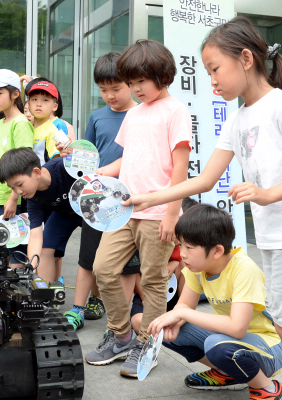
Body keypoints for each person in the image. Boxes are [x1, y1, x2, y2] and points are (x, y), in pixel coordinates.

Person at [125, 17, 282, 341]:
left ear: (246, 59)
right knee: (279, 316)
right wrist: (151, 198)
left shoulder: (277, 105)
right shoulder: (236, 119)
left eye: (215, 69)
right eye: (208, 72)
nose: (212, 80)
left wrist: (266, 194)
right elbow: (206, 180)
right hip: (269, 237)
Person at [84, 39, 191, 378]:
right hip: (124, 209)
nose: (134, 89)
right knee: (103, 268)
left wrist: (173, 214)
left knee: (154, 281)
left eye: (139, 81)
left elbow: (180, 169)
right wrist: (103, 171)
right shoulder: (133, 113)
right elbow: (126, 160)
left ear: (162, 75)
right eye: (131, 83)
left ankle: (148, 343)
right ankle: (122, 335)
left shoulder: (175, 110)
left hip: (159, 213)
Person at [149, 204, 282, 399]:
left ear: (217, 251)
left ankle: (266, 388)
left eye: (189, 247)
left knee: (216, 344)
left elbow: (237, 328)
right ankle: (228, 373)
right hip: (231, 340)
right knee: (166, 328)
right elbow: (184, 305)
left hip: (268, 347)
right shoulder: (197, 267)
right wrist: (176, 317)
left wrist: (182, 313)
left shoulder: (243, 269)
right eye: (180, 245)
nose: (182, 253)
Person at [60, 52, 140, 329]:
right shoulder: (97, 117)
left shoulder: (141, 115)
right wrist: (71, 153)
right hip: (97, 198)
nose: (110, 95)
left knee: (127, 264)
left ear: (130, 83)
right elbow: (88, 156)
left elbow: (139, 157)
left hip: (129, 199)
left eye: (116, 88)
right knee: (88, 256)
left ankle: (119, 317)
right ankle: (78, 308)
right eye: (103, 90)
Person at [0, 147, 81, 282]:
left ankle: (94, 299)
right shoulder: (33, 199)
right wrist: (31, 266)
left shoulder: (63, 167)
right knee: (44, 248)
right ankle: (44, 294)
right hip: (65, 214)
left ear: (36, 172)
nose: (18, 191)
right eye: (13, 188)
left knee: (91, 256)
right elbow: (35, 236)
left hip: (89, 210)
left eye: (19, 184)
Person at [0, 69, 34, 266]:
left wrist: (14, 198)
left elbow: (24, 163)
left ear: (14, 94)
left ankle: (16, 294)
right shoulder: (2, 122)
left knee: (15, 249)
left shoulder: (20, 123)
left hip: (11, 200)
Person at [26, 80, 61, 163]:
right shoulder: (26, 127)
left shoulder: (53, 132)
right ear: (29, 104)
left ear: (54, 106)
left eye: (45, 100)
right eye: (34, 99)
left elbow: (55, 163)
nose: (38, 104)